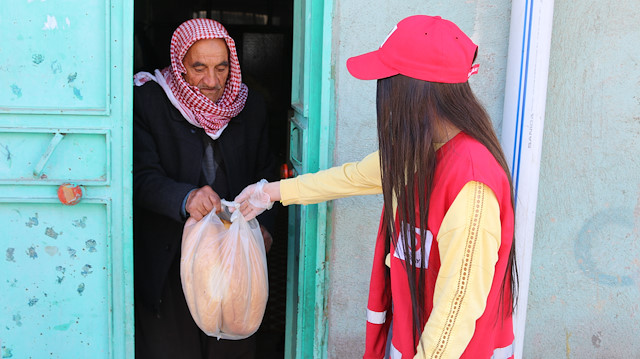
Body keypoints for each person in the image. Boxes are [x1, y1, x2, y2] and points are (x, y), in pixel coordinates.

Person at [235, 15, 518, 359]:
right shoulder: (418, 151)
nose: (381, 93)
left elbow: (456, 311)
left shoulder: (471, 182)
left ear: (413, 91)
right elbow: (352, 176)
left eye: (386, 80)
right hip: (410, 339)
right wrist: (270, 193)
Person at [132, 18, 277, 359]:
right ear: (180, 64)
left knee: (232, 346)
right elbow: (139, 177)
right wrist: (186, 197)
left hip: (234, 257)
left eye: (221, 68)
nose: (212, 82)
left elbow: (266, 173)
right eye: (199, 68)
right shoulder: (150, 102)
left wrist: (267, 230)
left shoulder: (249, 106)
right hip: (171, 258)